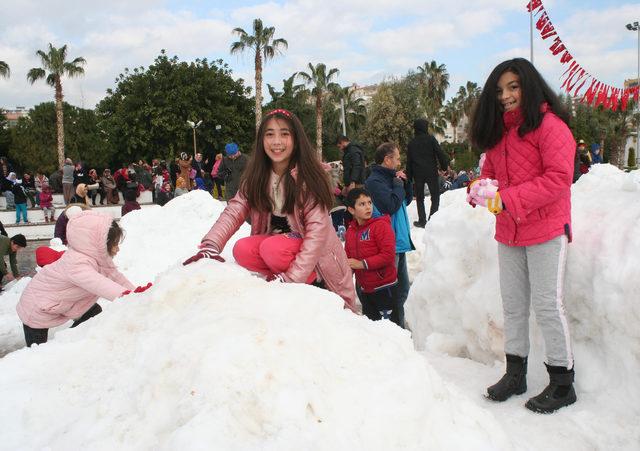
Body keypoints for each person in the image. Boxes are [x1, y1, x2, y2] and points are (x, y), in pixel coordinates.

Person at [468, 57, 576, 414]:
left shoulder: (550, 126)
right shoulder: (498, 134)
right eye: (500, 90)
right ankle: (516, 374)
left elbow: (559, 178)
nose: (506, 95)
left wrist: (507, 199)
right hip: (510, 232)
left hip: (546, 229)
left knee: (547, 304)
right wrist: (479, 188)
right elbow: (492, 173)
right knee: (513, 306)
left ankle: (562, 383)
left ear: (528, 86)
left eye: (513, 87)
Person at [184, 109, 356, 311]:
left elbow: (317, 234)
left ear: (296, 138)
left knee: (271, 248)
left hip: (315, 258)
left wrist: (292, 278)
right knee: (242, 249)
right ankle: (277, 278)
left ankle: (307, 279)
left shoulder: (308, 177)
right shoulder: (258, 175)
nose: (277, 142)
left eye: (284, 134)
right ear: (261, 140)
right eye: (270, 134)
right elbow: (235, 209)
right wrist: (210, 246)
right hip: (281, 246)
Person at [15, 212, 151, 347]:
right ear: (100, 244)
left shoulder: (92, 257)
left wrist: (136, 293)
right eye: (115, 244)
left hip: (48, 301)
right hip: (35, 310)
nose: (118, 249)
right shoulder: (77, 264)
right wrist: (127, 296)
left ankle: (71, 341)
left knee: (94, 311)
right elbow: (101, 285)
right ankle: (61, 347)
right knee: (37, 353)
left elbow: (113, 275)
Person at [365, 142, 414, 327]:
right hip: (387, 245)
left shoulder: (391, 179)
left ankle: (400, 329)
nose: (399, 162)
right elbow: (390, 206)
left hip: (398, 242)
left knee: (402, 291)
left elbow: (405, 201)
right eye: (397, 158)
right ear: (387, 159)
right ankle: (390, 331)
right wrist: (397, 185)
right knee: (390, 293)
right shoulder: (375, 182)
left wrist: (405, 184)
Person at [344, 188, 400, 326]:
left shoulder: (380, 226)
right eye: (362, 204)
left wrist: (361, 264)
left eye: (369, 202)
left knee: (391, 330)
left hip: (385, 288)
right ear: (351, 210)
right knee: (373, 330)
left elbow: (388, 255)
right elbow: (348, 259)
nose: (368, 207)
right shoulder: (351, 231)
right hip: (365, 290)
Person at [406, 118, 449, 227]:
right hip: (431, 172)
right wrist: (444, 166)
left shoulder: (412, 143)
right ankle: (432, 219)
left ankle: (422, 220)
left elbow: (409, 162)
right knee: (435, 196)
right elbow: (440, 153)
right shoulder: (431, 139)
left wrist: (409, 177)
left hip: (417, 174)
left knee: (419, 198)